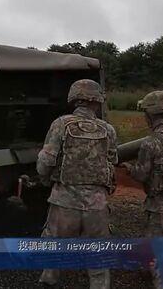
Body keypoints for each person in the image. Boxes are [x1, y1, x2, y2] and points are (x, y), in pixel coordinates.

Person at [36, 79, 117, 289]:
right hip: (97, 205)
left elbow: (46, 160)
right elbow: (112, 162)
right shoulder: (108, 130)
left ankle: (49, 282)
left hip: (64, 201)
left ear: (74, 99)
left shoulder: (61, 124)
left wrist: (45, 180)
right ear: (97, 100)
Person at [121, 90, 163, 289]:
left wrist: (128, 168)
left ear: (150, 114)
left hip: (160, 202)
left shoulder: (150, 143)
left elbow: (141, 175)